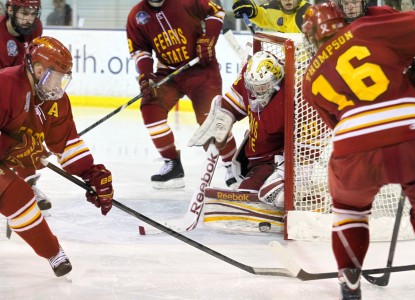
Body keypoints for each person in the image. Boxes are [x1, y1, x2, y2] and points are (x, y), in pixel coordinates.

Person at [301, 2, 415, 299]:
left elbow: (337, 126)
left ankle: (349, 277)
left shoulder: (309, 79)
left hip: (354, 146)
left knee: (348, 210)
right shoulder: (367, 28)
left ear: (312, 37)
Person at [0, 36, 114, 277]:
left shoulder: (57, 101)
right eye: (57, 76)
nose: (60, 85)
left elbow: (67, 143)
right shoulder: (6, 84)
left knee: (17, 195)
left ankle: (52, 252)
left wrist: (91, 173)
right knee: (13, 192)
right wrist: (11, 145)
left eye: (64, 78)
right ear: (39, 70)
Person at [126, 0, 237, 190]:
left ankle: (233, 165)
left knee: (210, 121)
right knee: (150, 110)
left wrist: (209, 38)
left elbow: (216, 12)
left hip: (201, 69)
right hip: (168, 73)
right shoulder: (136, 16)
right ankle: (172, 164)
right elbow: (140, 50)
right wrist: (146, 76)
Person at [188, 51, 287, 207]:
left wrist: (286, 169)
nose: (256, 93)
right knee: (247, 194)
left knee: (266, 196)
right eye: (252, 87)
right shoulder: (247, 81)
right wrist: (220, 120)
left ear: (275, 83)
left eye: (262, 87)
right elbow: (231, 105)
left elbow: (307, 140)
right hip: (255, 160)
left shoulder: (289, 97)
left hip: (277, 162)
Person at [0, 0, 52, 212]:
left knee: (30, 135)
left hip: (21, 91)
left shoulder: (36, 27)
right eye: (24, 13)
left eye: (33, 13)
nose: (30, 19)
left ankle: (28, 186)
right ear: (10, 10)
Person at [232, 0, 311, 33]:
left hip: (311, 64)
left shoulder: (308, 15)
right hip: (290, 61)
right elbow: (262, 15)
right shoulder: (274, 9)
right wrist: (251, 11)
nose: (288, 0)